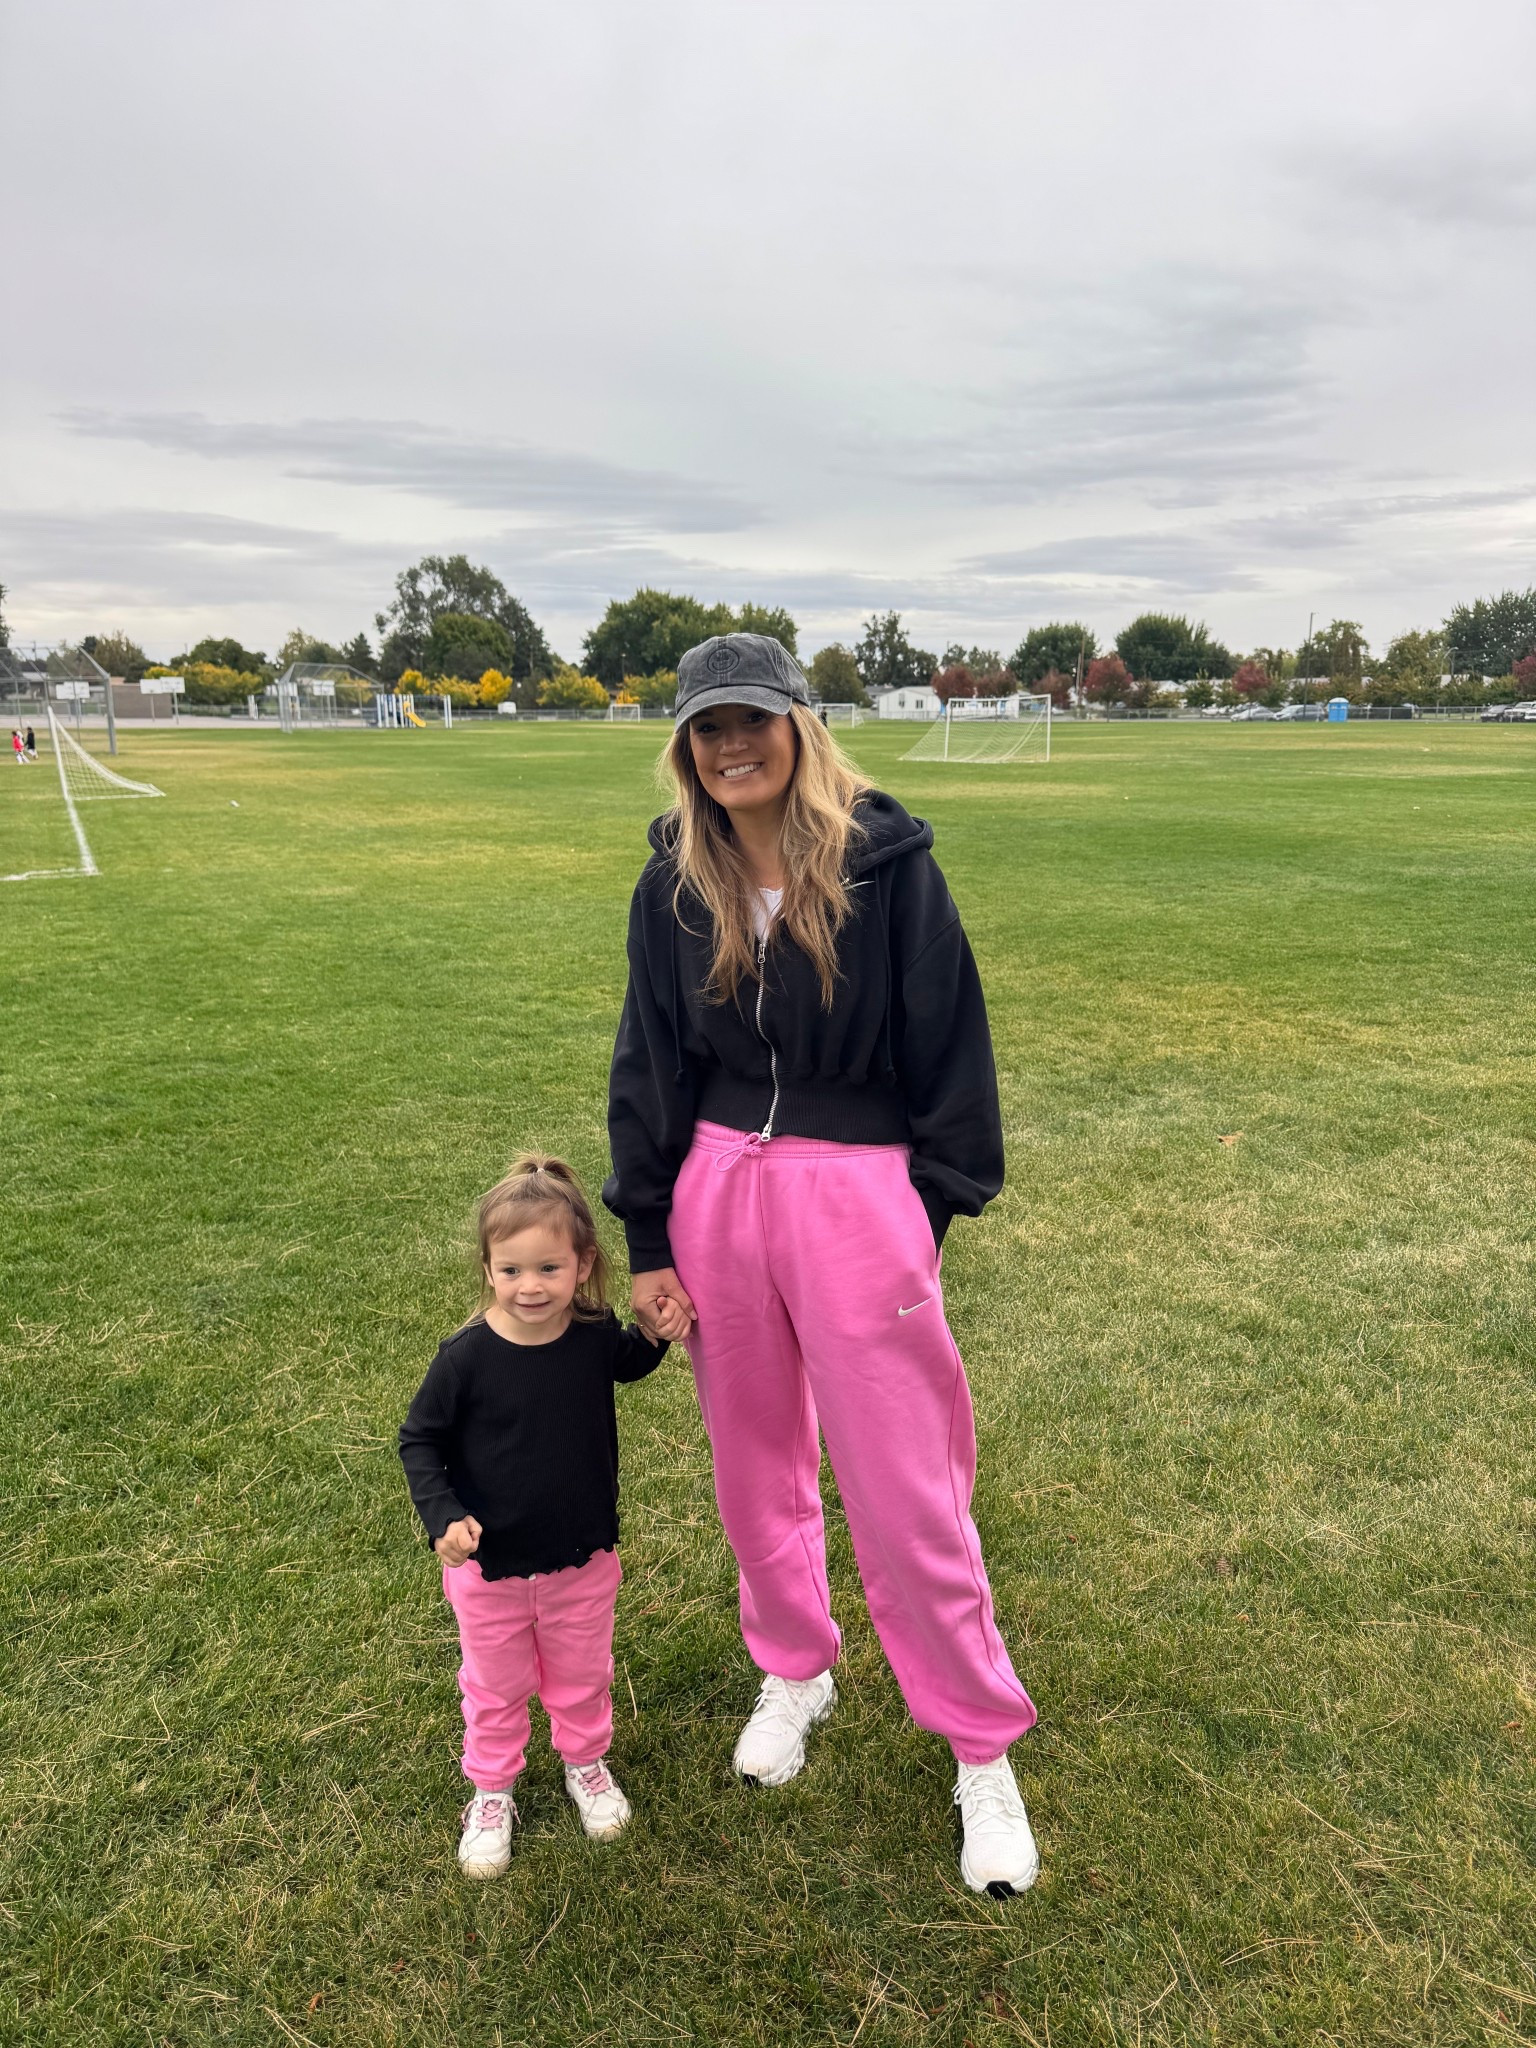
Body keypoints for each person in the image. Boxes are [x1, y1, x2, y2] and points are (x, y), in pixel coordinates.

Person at [605, 633, 1040, 1898]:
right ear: (686, 746)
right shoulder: (672, 883)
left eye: (751, 718)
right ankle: (795, 1668)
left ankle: (979, 1746)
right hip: (716, 1197)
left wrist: (927, 1211)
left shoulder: (888, 865)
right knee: (754, 1469)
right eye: (705, 727)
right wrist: (647, 1235)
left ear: (798, 723)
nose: (730, 745)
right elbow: (647, 1057)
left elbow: (953, 1038)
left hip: (861, 1198)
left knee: (908, 1489)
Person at [399, 1155, 688, 1879]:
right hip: (491, 1570)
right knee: (494, 1686)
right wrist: (443, 1516)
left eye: (549, 1269)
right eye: (512, 1270)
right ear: (488, 1269)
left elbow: (630, 1360)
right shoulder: (464, 1359)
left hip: (581, 1558)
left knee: (581, 1675)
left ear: (583, 1265)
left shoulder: (592, 1338)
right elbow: (420, 1439)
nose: (530, 1287)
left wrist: (657, 1332)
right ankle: (492, 1791)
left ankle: (586, 1763)